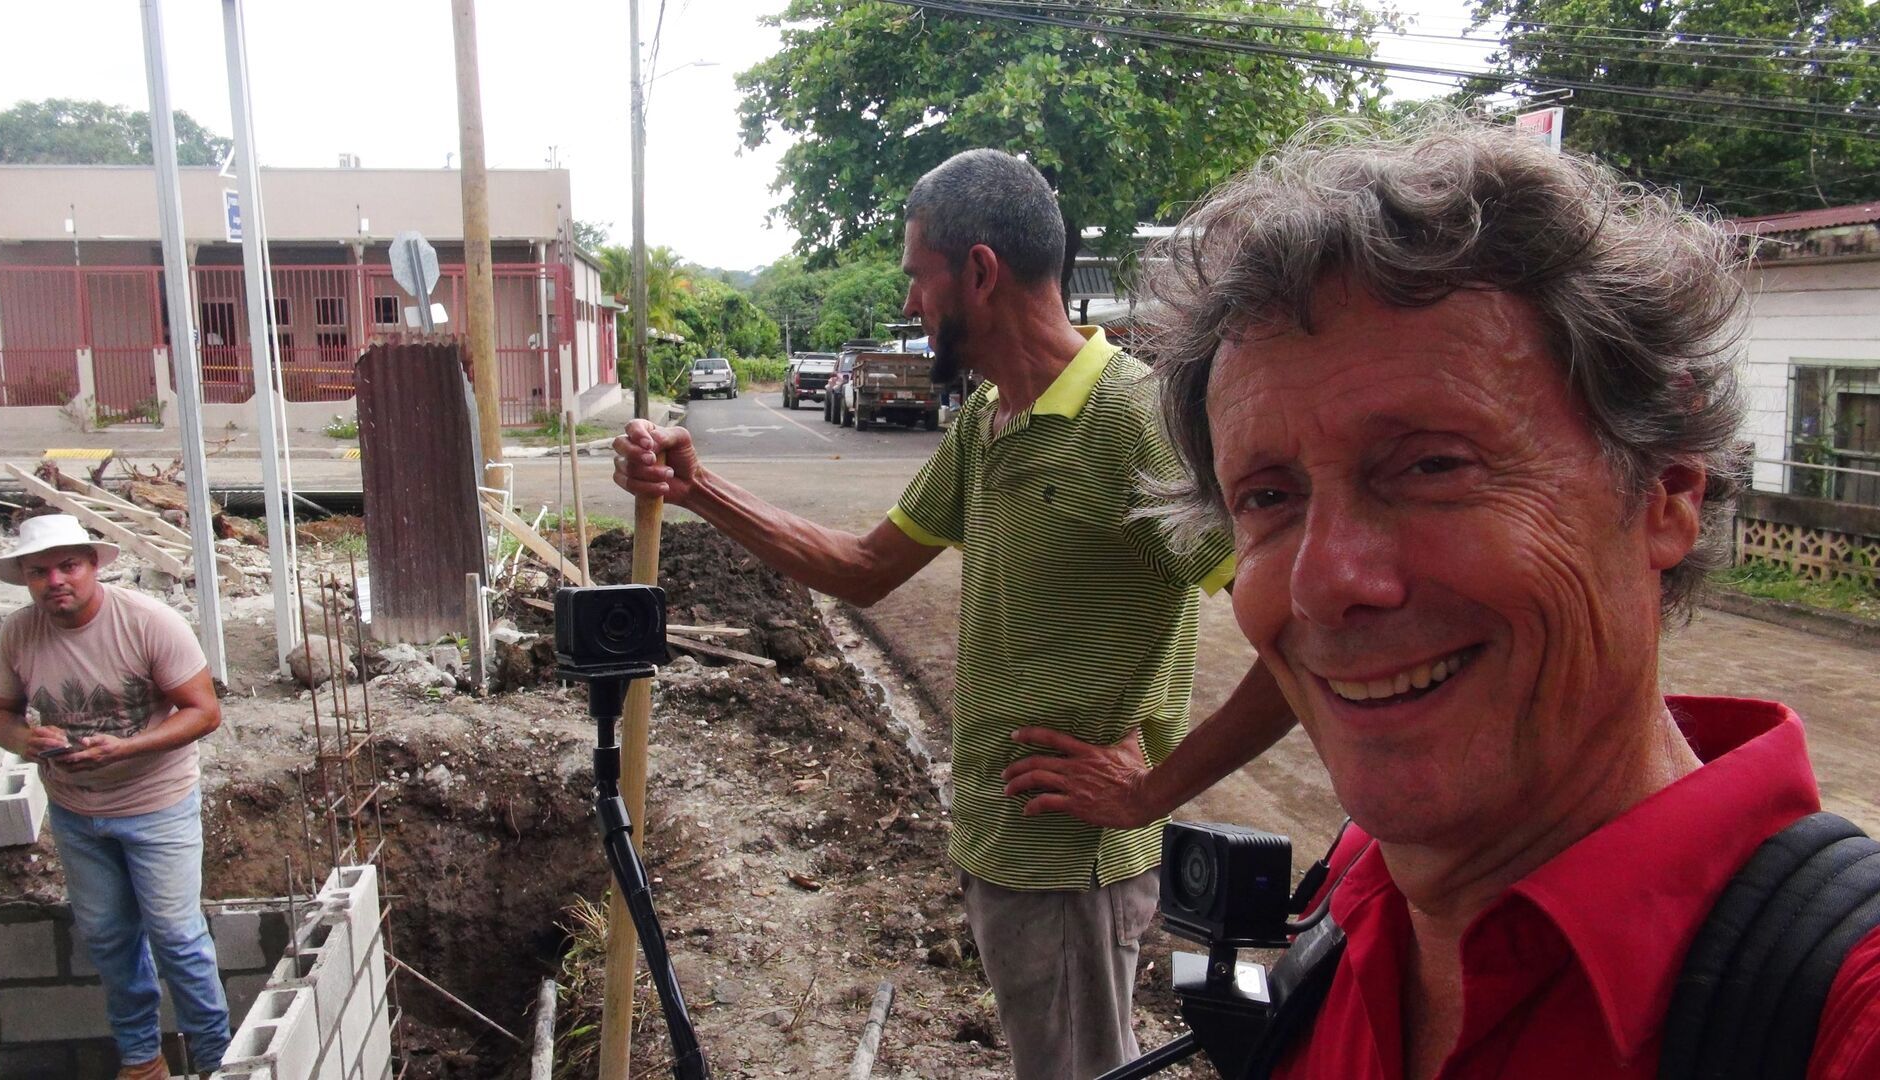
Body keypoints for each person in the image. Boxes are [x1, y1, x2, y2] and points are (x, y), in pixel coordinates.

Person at [1124, 116, 1880, 1077]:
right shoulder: (1350, 902)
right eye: (1269, 498)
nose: (1324, 584)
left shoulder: (1842, 1019)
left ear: (1667, 495)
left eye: (1433, 465)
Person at [614, 149, 1296, 1079]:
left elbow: (1299, 637)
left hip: (1072, 869)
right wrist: (698, 489)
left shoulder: (1134, 423)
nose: (910, 304)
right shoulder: (989, 421)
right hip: (1003, 853)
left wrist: (1151, 792)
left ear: (979, 272)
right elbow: (862, 570)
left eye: (918, 276)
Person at [0, 515, 230, 1080]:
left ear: (93, 565)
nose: (55, 581)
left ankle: (217, 1061)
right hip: (76, 813)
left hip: (157, 804)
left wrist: (124, 748)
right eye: (39, 571)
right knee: (109, 938)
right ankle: (142, 1061)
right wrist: (25, 740)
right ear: (26, 578)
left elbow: (204, 711)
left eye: (68, 566)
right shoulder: (20, 633)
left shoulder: (147, 623)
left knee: (176, 937)